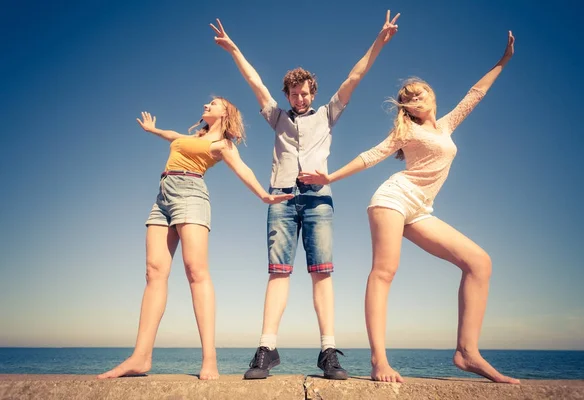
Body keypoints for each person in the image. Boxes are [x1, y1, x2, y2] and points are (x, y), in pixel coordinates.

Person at [299, 32, 520, 384]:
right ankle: (379, 361)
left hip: (420, 209)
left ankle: (467, 352)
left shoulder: (446, 125)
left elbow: (475, 94)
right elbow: (371, 156)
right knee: (385, 272)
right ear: (407, 108)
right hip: (391, 199)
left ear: (432, 97)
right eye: (410, 97)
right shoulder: (406, 131)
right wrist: (328, 177)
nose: (417, 97)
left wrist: (503, 60)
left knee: (479, 263)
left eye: (422, 92)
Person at [209, 11, 399, 380]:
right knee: (278, 274)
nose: (299, 97)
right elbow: (255, 83)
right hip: (281, 200)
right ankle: (267, 348)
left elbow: (354, 77)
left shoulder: (327, 115)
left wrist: (379, 41)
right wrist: (234, 50)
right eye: (294, 93)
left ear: (313, 93)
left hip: (318, 201)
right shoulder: (277, 118)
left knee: (322, 275)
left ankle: (328, 351)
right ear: (288, 95)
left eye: (305, 92)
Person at [97, 98, 292, 380]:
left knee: (196, 272)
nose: (206, 104)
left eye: (213, 103)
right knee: (154, 272)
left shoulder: (223, 145)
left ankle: (209, 359)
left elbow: (242, 169)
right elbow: (174, 136)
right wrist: (154, 130)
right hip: (163, 196)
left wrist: (263, 195)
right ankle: (140, 357)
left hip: (191, 193)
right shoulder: (194, 137)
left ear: (225, 113)